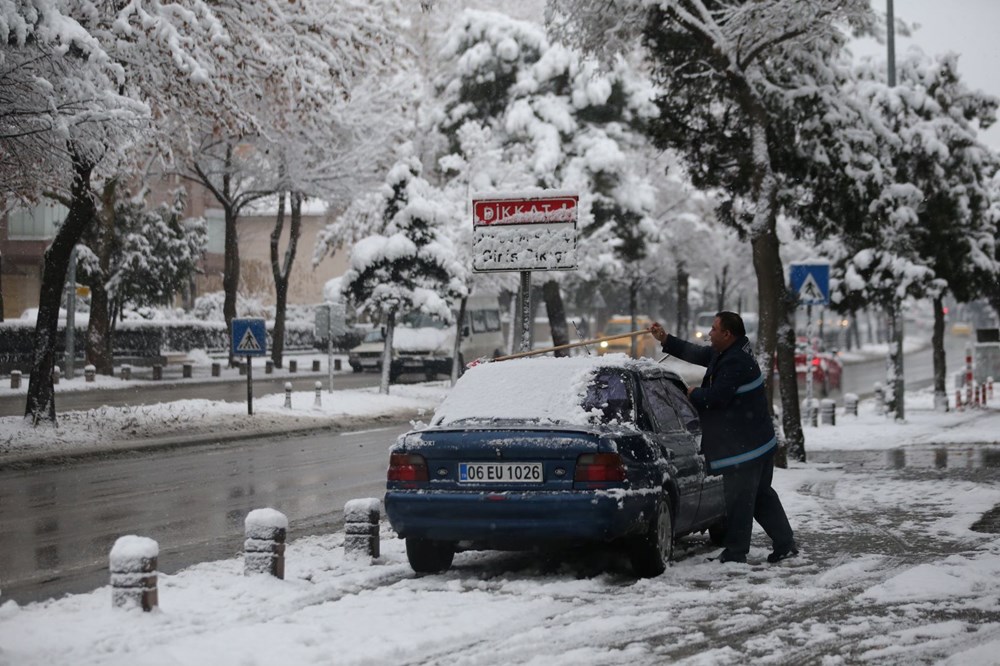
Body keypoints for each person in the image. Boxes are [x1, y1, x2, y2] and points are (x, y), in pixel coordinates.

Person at [649, 313, 797, 564]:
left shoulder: (735, 362)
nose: (709, 333)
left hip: (745, 448)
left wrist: (694, 393)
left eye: (714, 329)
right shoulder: (730, 351)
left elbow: (717, 397)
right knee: (761, 496)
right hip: (758, 442)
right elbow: (700, 354)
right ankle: (785, 544)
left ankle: (735, 553)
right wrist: (666, 340)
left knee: (740, 502)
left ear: (727, 334)